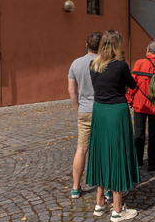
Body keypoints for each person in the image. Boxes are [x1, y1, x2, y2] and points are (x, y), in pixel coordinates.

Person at [87, 30, 139, 221]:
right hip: (116, 112)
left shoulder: (93, 65)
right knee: (118, 155)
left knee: (100, 154)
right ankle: (117, 209)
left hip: (99, 111)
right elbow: (132, 86)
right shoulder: (120, 65)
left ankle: (99, 204)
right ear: (117, 45)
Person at [67, 31, 102, 199]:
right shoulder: (104, 63)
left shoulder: (76, 63)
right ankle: (107, 188)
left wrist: (77, 106)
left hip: (85, 110)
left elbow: (71, 89)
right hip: (102, 109)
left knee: (81, 149)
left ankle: (75, 187)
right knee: (102, 149)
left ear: (86, 45)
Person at [128, 41, 155, 171]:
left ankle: (138, 160)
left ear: (147, 50)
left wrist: (130, 99)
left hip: (140, 104)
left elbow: (132, 83)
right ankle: (152, 162)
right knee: (153, 135)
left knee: (139, 133)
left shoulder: (139, 63)